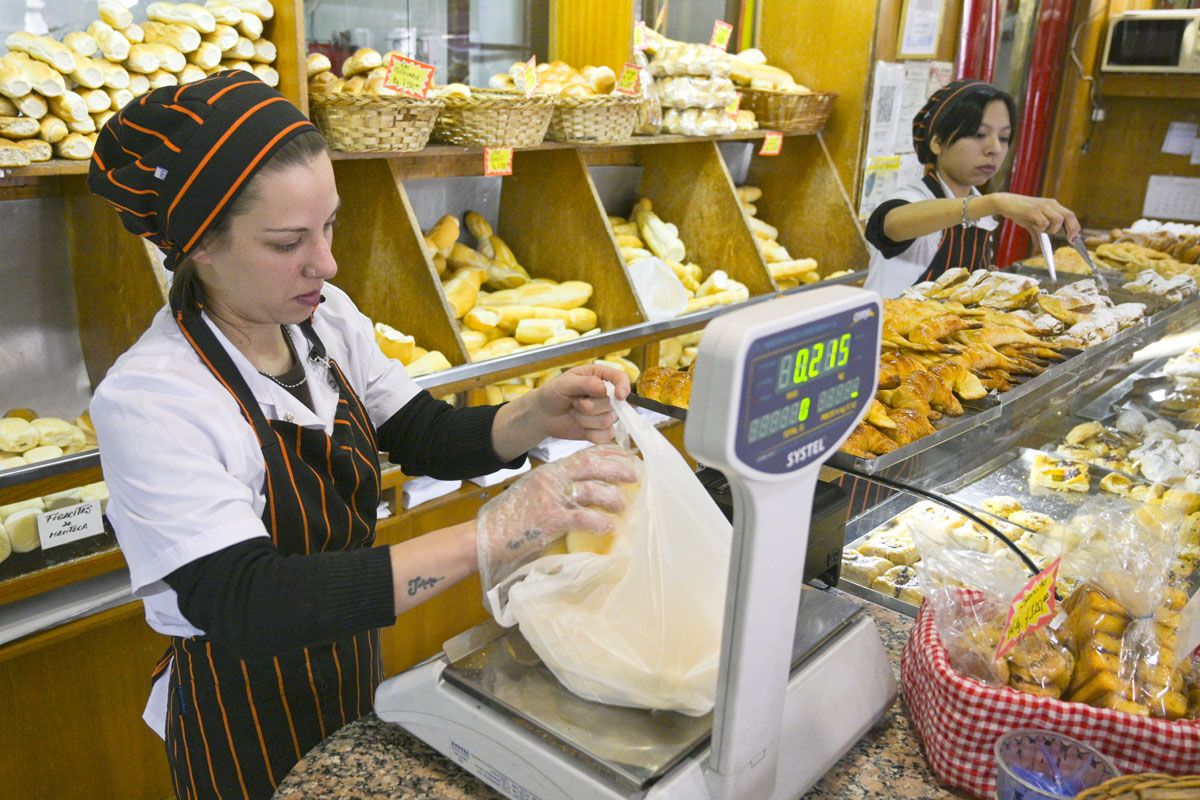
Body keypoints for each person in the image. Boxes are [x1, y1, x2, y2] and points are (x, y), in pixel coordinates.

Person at [86, 71, 639, 800]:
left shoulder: (324, 319)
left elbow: (424, 434)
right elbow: (251, 601)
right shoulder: (153, 398)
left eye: (330, 226)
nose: (326, 262)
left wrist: (537, 413)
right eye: (289, 242)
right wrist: (492, 533)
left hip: (351, 667)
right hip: (242, 711)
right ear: (201, 245)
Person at [863, 79, 1081, 298]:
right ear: (937, 142)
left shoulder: (982, 214)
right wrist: (996, 202)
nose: (995, 148)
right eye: (979, 134)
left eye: (1004, 138)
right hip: (888, 320)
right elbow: (889, 225)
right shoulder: (913, 197)